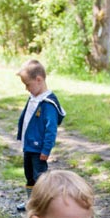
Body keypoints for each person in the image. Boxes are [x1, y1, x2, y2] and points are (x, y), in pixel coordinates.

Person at [16, 58, 65, 199]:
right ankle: (30, 202)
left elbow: (51, 130)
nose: (26, 88)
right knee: (29, 176)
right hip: (29, 146)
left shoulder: (48, 104)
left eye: (27, 85)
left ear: (39, 80)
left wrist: (46, 149)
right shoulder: (33, 97)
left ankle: (42, 203)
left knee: (40, 177)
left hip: (38, 149)